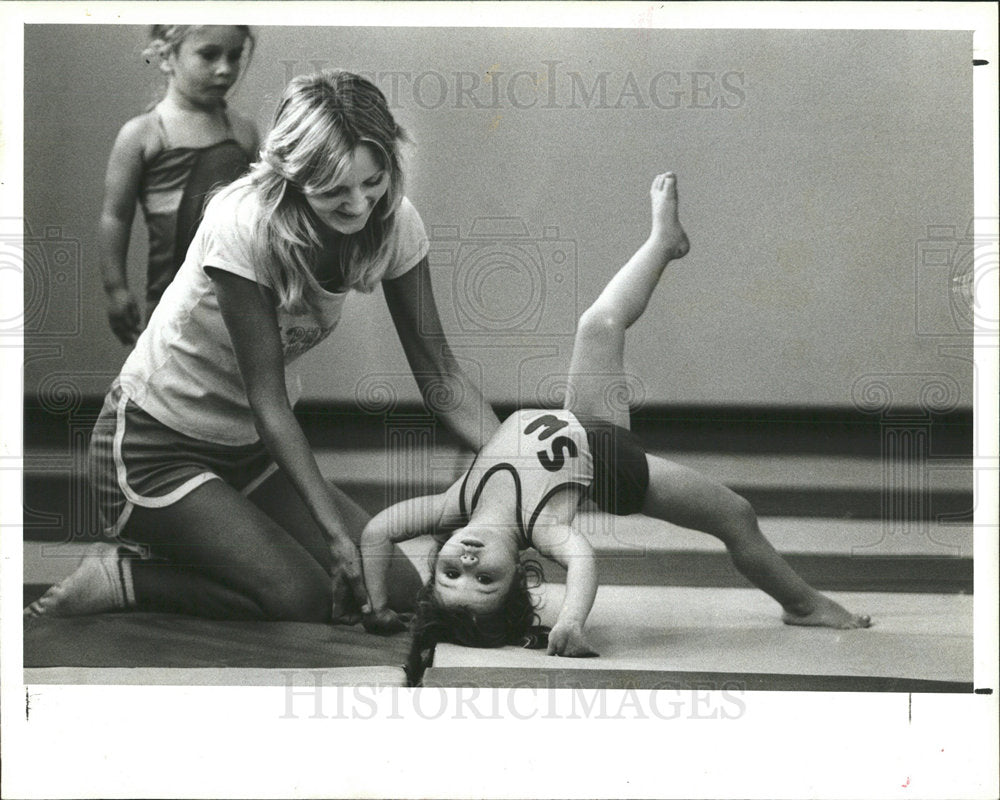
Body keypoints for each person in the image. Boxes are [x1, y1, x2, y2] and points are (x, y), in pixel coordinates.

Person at [358, 172, 872, 685]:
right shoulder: (542, 528)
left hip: (580, 421)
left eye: (450, 572)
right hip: (614, 466)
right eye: (484, 578)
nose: (467, 560)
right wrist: (570, 622)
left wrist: (378, 603)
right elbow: (581, 561)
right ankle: (803, 604)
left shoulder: (455, 505)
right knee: (736, 515)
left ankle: (664, 242)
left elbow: (377, 531)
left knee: (598, 324)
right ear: (517, 575)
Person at [25, 70, 499, 624]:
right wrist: (337, 542)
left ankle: (216, 540)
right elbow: (268, 401)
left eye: (372, 181)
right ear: (293, 177)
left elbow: (441, 374)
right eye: (334, 191)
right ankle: (123, 576)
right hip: (154, 450)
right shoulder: (244, 223)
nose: (359, 204)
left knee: (392, 586)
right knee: (299, 596)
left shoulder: (392, 219)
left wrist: (516, 471)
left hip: (249, 453)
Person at [99, 25, 260, 345]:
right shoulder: (143, 134)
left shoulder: (243, 132)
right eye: (209, 54)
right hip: (169, 295)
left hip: (238, 294)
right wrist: (115, 288)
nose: (225, 68)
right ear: (165, 56)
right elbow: (115, 216)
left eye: (235, 56)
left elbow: (258, 215)